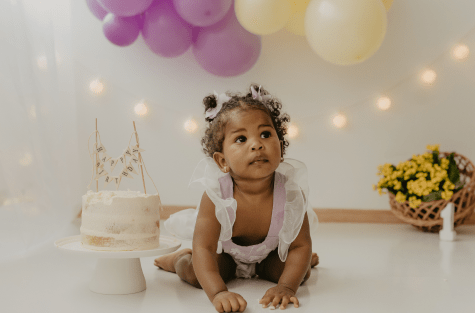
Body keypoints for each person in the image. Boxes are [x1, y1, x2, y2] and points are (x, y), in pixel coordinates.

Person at [155, 84, 319, 312]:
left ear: (280, 148)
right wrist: (218, 293)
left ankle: (302, 265)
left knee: (299, 272)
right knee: (196, 273)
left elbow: (300, 245)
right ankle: (177, 259)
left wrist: (287, 287)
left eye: (265, 134)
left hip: (268, 254)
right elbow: (204, 247)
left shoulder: (290, 193)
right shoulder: (216, 196)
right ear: (222, 161)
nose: (257, 144)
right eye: (241, 139)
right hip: (226, 255)